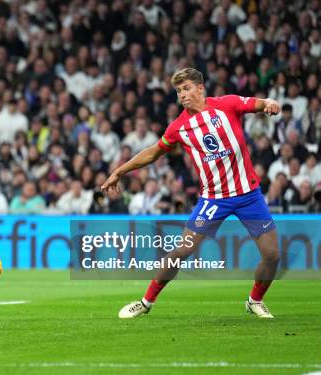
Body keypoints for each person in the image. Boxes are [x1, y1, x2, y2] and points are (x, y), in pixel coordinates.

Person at [101, 68, 281, 319]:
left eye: (186, 88)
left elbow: (260, 103)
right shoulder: (179, 127)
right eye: (178, 91)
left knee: (272, 255)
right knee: (182, 251)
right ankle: (145, 302)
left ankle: (255, 301)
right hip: (213, 200)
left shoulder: (227, 104)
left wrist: (270, 103)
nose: (182, 95)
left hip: (248, 195)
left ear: (200, 87)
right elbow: (153, 152)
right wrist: (119, 171)